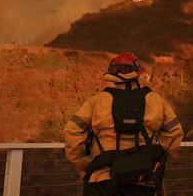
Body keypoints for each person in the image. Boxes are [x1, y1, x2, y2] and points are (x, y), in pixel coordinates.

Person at [64, 52, 184, 196]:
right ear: (138, 74)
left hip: (103, 179)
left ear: (112, 76)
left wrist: (85, 162)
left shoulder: (97, 101)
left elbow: (72, 131)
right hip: (143, 178)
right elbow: (174, 133)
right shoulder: (155, 100)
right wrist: (160, 158)